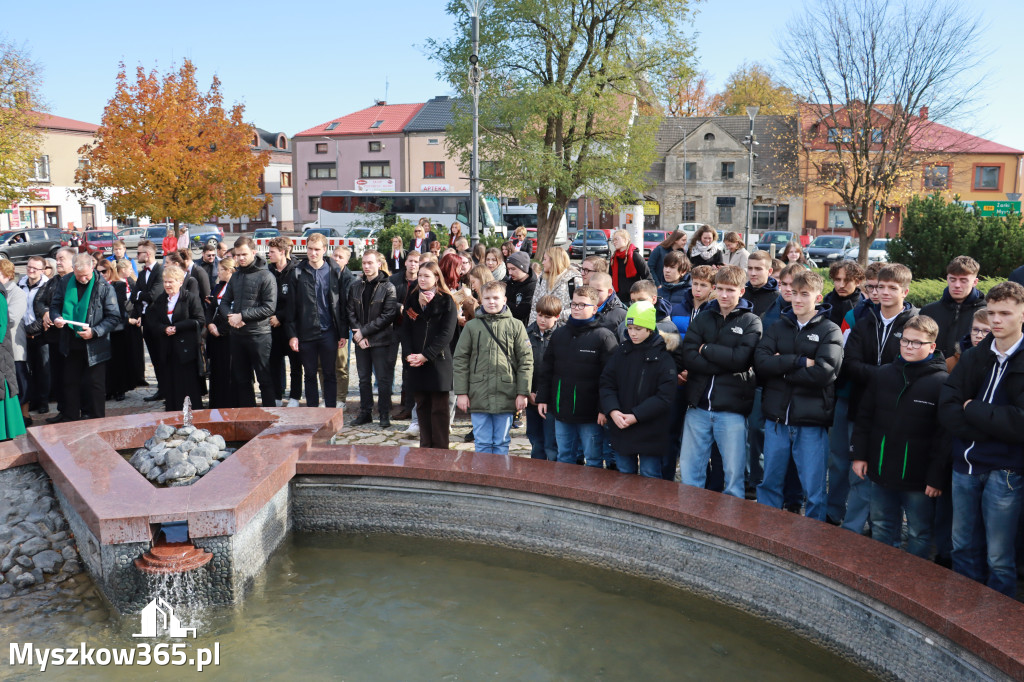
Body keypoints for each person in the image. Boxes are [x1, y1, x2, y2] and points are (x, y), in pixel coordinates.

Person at [939, 281, 1024, 597]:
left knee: (999, 555)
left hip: (1006, 470)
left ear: (1023, 314)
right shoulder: (975, 356)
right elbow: (948, 404)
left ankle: (996, 618)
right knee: (962, 545)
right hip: (965, 465)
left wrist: (972, 408)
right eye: (992, 312)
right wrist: (985, 428)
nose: (996, 320)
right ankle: (964, 607)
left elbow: (1019, 422)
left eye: (1005, 313)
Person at [852, 315, 948, 558]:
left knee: (919, 532)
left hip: (918, 478)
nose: (908, 346)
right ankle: (881, 571)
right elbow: (864, 417)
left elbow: (944, 437)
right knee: (881, 525)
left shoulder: (942, 383)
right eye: (905, 340)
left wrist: (936, 477)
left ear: (932, 347)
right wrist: (859, 455)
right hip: (881, 468)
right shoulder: (883, 374)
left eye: (917, 343)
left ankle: (913, 577)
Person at [754, 270, 843, 521]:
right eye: (794, 293)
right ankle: (766, 528)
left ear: (818, 297)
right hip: (777, 419)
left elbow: (824, 373)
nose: (797, 299)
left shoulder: (830, 330)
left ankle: (814, 535)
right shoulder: (778, 326)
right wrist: (800, 361)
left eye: (804, 294)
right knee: (769, 483)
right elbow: (761, 363)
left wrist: (781, 368)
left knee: (814, 489)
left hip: (810, 422)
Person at [841, 263, 918, 533]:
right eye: (880, 286)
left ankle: (882, 532)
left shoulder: (914, 325)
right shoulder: (865, 322)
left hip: (897, 413)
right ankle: (852, 530)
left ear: (905, 291)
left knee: (888, 474)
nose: (884, 292)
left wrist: (877, 374)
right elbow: (850, 364)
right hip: (862, 408)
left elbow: (911, 370)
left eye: (892, 288)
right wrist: (886, 374)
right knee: (858, 473)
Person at [679, 265, 762, 499]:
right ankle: (690, 512)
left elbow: (741, 360)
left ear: (741, 291)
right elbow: (689, 356)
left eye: (731, 290)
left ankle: (731, 515)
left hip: (731, 410)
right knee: (690, 472)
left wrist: (706, 349)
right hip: (698, 407)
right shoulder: (704, 317)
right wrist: (726, 361)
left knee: (733, 476)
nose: (724, 295)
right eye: (721, 289)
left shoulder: (751, 322)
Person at [535, 285, 618, 466]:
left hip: (590, 414)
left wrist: (604, 408)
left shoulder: (604, 337)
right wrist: (543, 398)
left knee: (593, 459)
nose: (576, 308)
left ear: (594, 309)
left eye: (582, 305)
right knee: (564, 456)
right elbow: (547, 370)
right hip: (562, 410)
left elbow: (610, 378)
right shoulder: (559, 334)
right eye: (574, 304)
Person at [600, 300, 678, 478]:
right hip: (622, 426)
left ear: (649, 329)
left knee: (649, 475)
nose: (632, 333)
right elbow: (607, 383)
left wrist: (636, 415)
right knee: (624, 475)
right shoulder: (621, 352)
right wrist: (613, 411)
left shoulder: (663, 357)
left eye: (638, 328)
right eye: (629, 328)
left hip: (650, 430)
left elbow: (665, 396)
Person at [453, 280, 532, 455]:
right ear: (481, 300)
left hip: (506, 393)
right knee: (482, 443)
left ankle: (499, 472)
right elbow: (460, 360)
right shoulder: (472, 327)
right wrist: (461, 392)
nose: (491, 302)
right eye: (487, 298)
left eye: (496, 298)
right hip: (478, 394)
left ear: (504, 300)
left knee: (501, 443)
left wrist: (522, 392)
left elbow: (525, 361)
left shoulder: (516, 326)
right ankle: (482, 472)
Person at [49, 254, 121, 422]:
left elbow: (114, 317)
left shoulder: (103, 286)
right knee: (70, 382)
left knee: (95, 385)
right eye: (79, 275)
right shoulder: (65, 281)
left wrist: (94, 331)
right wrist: (56, 318)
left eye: (86, 275)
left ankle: (96, 418)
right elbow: (55, 305)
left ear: (92, 267)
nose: (83, 279)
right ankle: (71, 416)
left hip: (95, 344)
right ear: (73, 269)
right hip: (70, 341)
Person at [284, 233, 346, 409]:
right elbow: (291, 307)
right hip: (306, 332)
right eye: (310, 249)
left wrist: (342, 333)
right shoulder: (297, 272)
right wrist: (292, 335)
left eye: (317, 249)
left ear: (324, 250)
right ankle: (312, 413)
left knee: (330, 373)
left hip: (329, 332)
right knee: (310, 374)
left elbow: (341, 304)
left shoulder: (335, 271)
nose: (313, 253)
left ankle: (330, 412)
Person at [214, 236, 277, 408]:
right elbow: (224, 302)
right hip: (237, 335)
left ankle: (270, 415)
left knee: (264, 380)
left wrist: (242, 316)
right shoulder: (236, 276)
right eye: (237, 255)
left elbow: (269, 307)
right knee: (242, 380)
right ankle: (247, 415)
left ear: (253, 252)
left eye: (244, 254)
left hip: (259, 335)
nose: (240, 258)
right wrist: (232, 318)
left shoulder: (266, 276)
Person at [401, 261, 458, 449]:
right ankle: (425, 448)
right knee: (422, 407)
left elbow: (446, 334)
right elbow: (406, 330)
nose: (422, 279)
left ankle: (441, 450)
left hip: (438, 362)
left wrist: (426, 355)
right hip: (416, 362)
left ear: (436, 278)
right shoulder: (412, 299)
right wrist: (409, 355)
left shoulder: (446, 300)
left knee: (439, 410)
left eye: (427, 276)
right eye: (420, 275)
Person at [347, 250, 399, 427]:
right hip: (360, 340)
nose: (366, 266)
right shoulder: (355, 286)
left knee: (383, 379)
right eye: (364, 263)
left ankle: (384, 414)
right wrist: (359, 336)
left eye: (370, 263)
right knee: (363, 379)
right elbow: (350, 312)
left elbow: (388, 315)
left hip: (381, 340)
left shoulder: (388, 287)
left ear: (378, 264)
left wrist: (364, 332)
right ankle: (365, 413)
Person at [145, 264, 206, 412]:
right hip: (168, 348)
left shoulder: (190, 298)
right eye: (165, 281)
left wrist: (177, 327)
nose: (167, 285)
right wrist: (164, 329)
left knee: (188, 384)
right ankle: (173, 412)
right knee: (171, 383)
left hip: (186, 350)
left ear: (180, 282)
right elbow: (153, 322)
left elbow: (199, 319)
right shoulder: (160, 300)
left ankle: (191, 414)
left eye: (170, 281)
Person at [919, 256, 986, 361]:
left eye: (963, 280)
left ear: (975, 282)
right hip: (932, 369)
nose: (957, 285)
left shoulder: (987, 313)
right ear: (947, 279)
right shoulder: (928, 312)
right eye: (953, 279)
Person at [526, 295, 562, 460]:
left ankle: (552, 471)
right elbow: (521, 366)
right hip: (531, 395)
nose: (542, 320)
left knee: (551, 442)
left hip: (551, 399)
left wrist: (545, 396)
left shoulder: (561, 336)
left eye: (547, 317)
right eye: (540, 315)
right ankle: (536, 469)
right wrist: (527, 391)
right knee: (535, 439)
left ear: (557, 317)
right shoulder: (526, 334)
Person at [266, 237, 301, 407]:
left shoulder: (296, 271)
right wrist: (272, 317)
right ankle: (277, 396)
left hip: (291, 325)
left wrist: (280, 317)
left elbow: (297, 301)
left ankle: (295, 397)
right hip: (272, 325)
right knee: (274, 363)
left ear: (282, 252)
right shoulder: (268, 271)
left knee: (295, 364)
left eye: (272, 252)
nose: (269, 255)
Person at [95, 259, 133, 401]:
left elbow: (117, 305)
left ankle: (120, 389)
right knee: (106, 361)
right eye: (98, 272)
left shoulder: (119, 285)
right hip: (102, 328)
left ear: (111, 271)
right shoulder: (95, 286)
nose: (101, 274)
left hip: (117, 328)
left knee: (119, 360)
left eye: (104, 271)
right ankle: (108, 389)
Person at [133, 240, 165, 402]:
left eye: (139, 253)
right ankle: (161, 388)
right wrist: (140, 296)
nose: (137, 255)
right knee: (154, 356)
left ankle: (166, 388)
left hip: (158, 321)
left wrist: (140, 294)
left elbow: (154, 295)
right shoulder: (141, 274)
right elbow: (134, 296)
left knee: (161, 355)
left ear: (148, 254)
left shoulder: (160, 271)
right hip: (146, 320)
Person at [205, 258, 237, 408]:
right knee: (216, 369)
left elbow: (234, 311)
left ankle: (229, 401)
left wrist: (221, 330)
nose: (218, 273)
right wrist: (210, 324)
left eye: (221, 270)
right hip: (214, 334)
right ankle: (217, 401)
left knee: (228, 369)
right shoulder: (219, 286)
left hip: (229, 335)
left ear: (229, 270)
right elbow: (211, 308)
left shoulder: (236, 287)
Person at [19, 255, 49, 415]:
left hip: (41, 335)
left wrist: (31, 329)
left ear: (42, 270)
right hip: (23, 334)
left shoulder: (47, 286)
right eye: (29, 267)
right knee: (27, 370)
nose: (31, 270)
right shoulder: (21, 283)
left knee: (43, 369)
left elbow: (46, 312)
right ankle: (33, 400)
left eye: (35, 268)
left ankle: (43, 401)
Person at [0, 261, 28, 426]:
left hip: (12, 344)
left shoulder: (16, 292)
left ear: (7, 274)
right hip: (4, 344)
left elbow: (11, 319)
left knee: (17, 381)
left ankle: (23, 416)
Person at [529, 247, 577, 325]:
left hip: (564, 328)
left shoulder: (573, 279)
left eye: (545, 259)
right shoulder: (542, 277)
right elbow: (534, 307)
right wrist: (532, 328)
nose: (542, 263)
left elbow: (578, 309)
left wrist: (554, 316)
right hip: (542, 329)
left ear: (554, 261)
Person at [332, 246, 354, 406]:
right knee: (324, 365)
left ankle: (340, 398)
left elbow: (348, 309)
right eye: (335, 256)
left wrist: (343, 333)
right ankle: (328, 396)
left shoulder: (350, 280)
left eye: (340, 257)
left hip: (342, 327)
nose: (336, 259)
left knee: (341, 364)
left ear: (347, 261)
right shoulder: (325, 275)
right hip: (326, 326)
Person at [669, 264, 714, 336]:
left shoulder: (715, 312)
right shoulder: (676, 309)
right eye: (695, 284)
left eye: (703, 285)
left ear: (712, 288)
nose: (698, 289)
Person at [609, 229, 652, 302]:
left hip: (634, 298)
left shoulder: (635, 256)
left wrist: (647, 297)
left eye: (616, 239)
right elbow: (609, 277)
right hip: (618, 298)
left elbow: (648, 278)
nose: (614, 242)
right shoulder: (614, 258)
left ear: (625, 240)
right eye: (613, 240)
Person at [824, 261, 866, 328]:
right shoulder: (826, 304)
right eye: (838, 280)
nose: (841, 285)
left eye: (847, 280)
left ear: (858, 282)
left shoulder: (865, 307)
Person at [948, 309, 990, 373]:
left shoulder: (1001, 364)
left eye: (986, 331)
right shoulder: (951, 364)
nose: (979, 335)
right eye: (975, 329)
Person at [504, 251, 537, 327]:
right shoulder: (509, 283)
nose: (510, 273)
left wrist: (504, 303)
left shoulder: (533, 286)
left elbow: (522, 311)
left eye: (513, 269)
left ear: (523, 268)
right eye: (508, 269)